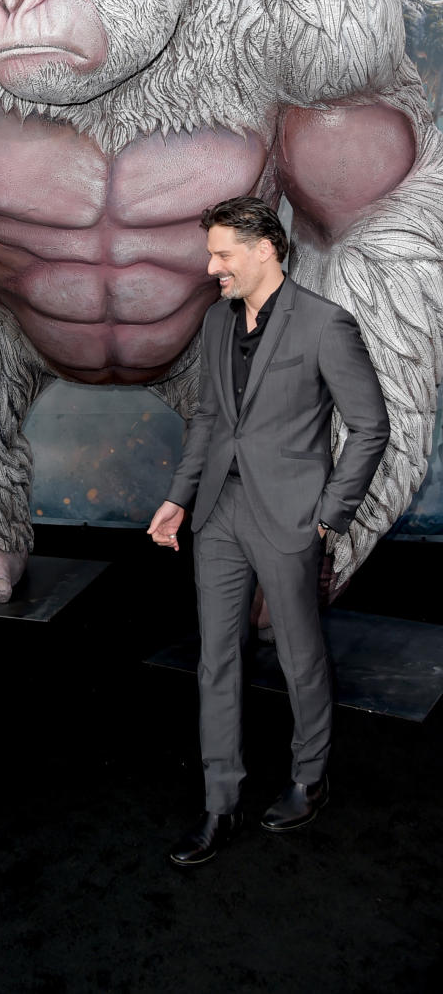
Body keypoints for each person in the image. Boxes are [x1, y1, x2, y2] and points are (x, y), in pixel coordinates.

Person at [147, 197, 389, 866]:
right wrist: (178, 498)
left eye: (222, 253)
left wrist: (328, 513)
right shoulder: (216, 325)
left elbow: (370, 427)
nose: (210, 266)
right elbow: (208, 422)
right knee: (215, 658)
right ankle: (220, 802)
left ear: (264, 250)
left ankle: (311, 779)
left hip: (290, 516)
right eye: (210, 253)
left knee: (299, 657)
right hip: (218, 515)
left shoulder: (324, 325)